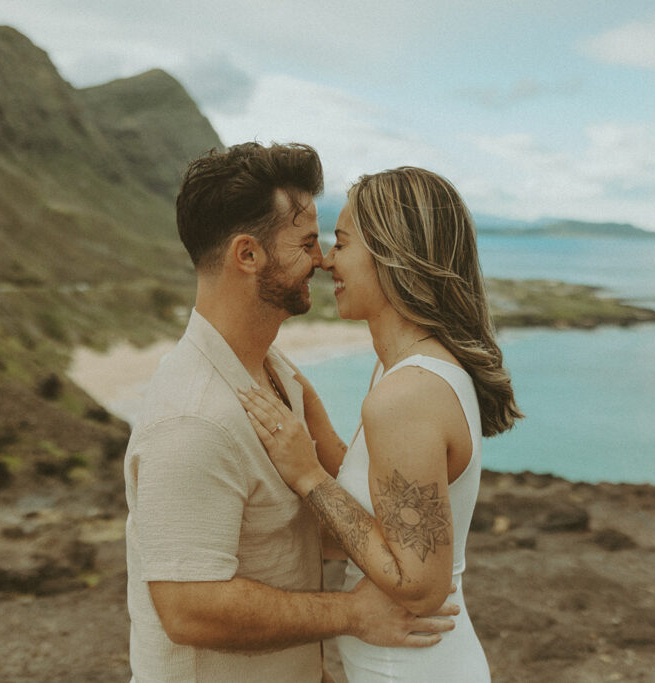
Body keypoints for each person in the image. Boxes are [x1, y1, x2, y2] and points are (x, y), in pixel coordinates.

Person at [123, 144, 457, 683]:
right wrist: (351, 616)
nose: (324, 259)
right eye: (306, 243)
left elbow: (286, 536)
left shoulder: (272, 370)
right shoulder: (192, 421)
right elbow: (187, 607)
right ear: (248, 255)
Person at [239, 166, 522, 682]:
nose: (326, 261)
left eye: (342, 243)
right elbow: (380, 506)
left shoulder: (407, 396)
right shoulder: (408, 370)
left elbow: (419, 586)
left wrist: (308, 477)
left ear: (391, 255)